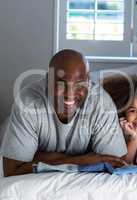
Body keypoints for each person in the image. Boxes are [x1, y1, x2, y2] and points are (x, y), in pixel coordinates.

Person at [1, 49, 127, 177]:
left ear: (88, 81)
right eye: (61, 84)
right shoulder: (28, 102)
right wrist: (81, 160)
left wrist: (39, 158)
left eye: (79, 83)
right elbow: (12, 169)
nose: (69, 94)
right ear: (48, 80)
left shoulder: (101, 103)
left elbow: (116, 163)